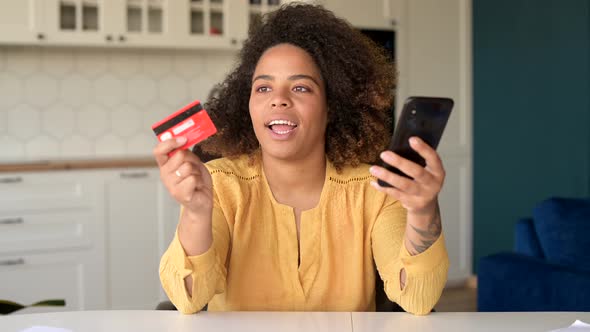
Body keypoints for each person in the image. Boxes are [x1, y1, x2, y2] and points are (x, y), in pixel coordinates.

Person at [154, 3, 449, 315]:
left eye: (301, 87)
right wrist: (196, 213)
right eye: (263, 87)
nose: (278, 98)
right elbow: (188, 299)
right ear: (248, 105)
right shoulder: (220, 185)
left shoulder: (375, 190)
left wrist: (422, 210)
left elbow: (418, 298)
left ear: (332, 106)